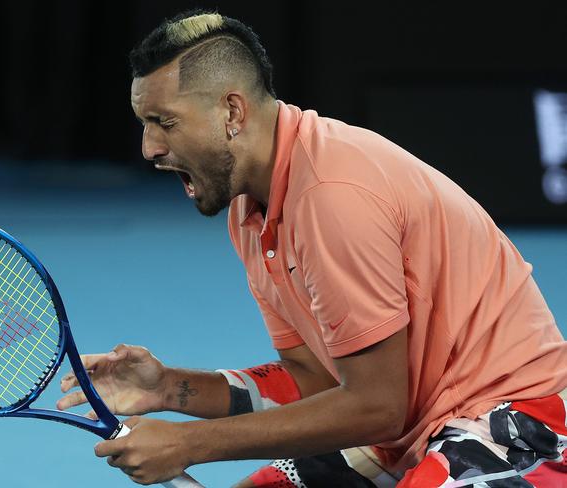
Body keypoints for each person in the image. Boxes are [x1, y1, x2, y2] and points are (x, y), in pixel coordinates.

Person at [56, 10, 567, 487]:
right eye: (144, 124)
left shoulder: (332, 195)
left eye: (164, 122)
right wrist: (168, 388)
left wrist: (189, 444)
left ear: (232, 111)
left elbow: (376, 407)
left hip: (522, 417)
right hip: (413, 426)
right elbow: (316, 382)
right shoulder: (249, 206)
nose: (149, 149)